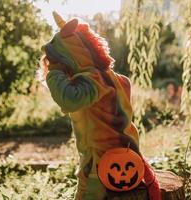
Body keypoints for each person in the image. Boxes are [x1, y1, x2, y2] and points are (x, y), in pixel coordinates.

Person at [39, 12, 161, 200]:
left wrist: (55, 71)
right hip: (129, 155)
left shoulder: (91, 82)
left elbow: (67, 99)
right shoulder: (118, 79)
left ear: (68, 59)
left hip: (100, 165)